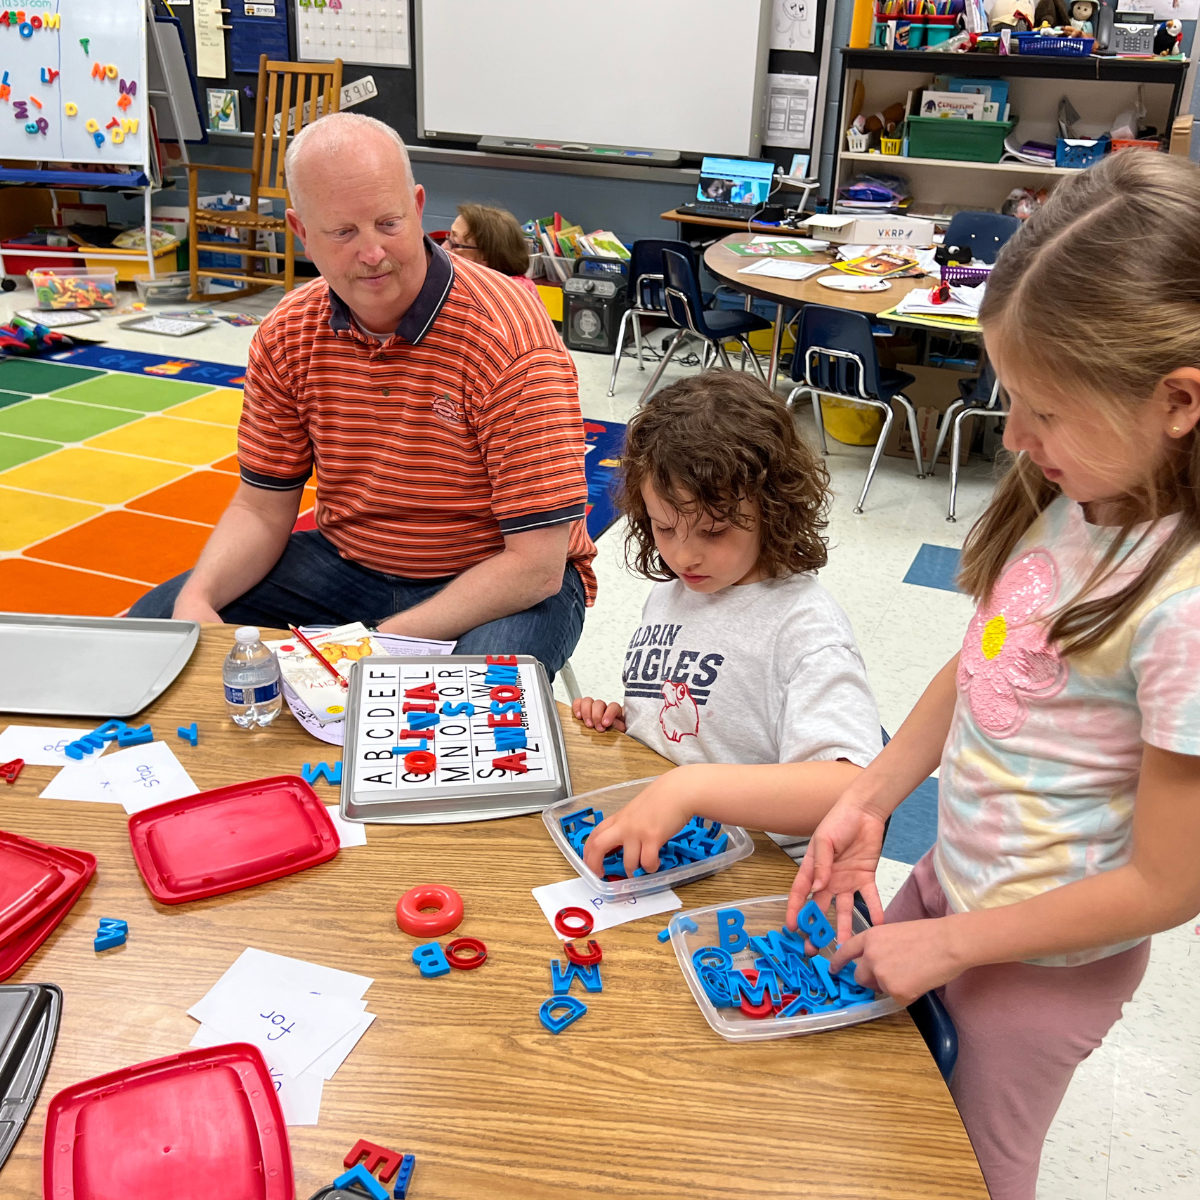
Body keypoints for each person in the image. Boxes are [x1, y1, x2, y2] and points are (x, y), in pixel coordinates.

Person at [777, 151, 1200, 1199]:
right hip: (954, 891)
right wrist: (871, 797)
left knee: (967, 1166)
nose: (1014, 437)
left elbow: (1170, 883)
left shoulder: (1185, 606)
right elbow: (984, 668)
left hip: (1042, 970)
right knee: (886, 1111)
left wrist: (958, 944)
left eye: (1045, 412)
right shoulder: (1080, 493)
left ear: (1178, 402)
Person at [128, 113, 595, 677]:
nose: (372, 253)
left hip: (498, 575)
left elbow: (535, 568)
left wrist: (369, 648)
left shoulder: (510, 337)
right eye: (343, 232)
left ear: (420, 208)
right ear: (302, 233)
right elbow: (260, 507)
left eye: (388, 223)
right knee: (155, 626)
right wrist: (197, 600)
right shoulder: (286, 334)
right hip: (351, 567)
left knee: (461, 704)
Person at [572, 373, 882, 872]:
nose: (685, 555)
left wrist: (689, 788)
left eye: (714, 531)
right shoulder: (669, 596)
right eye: (665, 527)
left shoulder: (805, 630)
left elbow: (851, 786)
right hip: (676, 841)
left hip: (763, 868)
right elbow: (695, 721)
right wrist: (630, 722)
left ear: (774, 510)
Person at [446, 203, 540, 297]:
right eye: (447, 238)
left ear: (485, 256)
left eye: (453, 243)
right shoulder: (523, 286)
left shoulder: (493, 297)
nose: (444, 248)